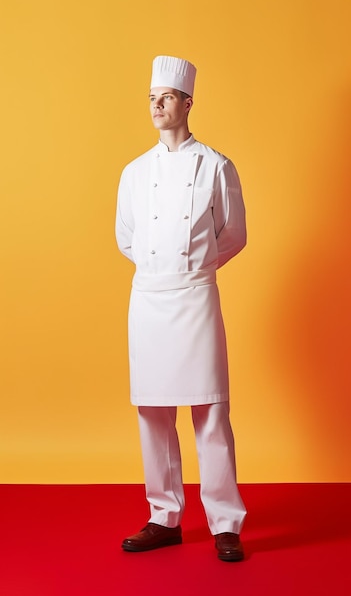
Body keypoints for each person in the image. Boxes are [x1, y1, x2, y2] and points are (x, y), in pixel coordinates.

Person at [115, 55, 247, 562]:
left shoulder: (216, 165)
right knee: (152, 412)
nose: (157, 105)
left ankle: (225, 523)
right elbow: (127, 236)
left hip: (195, 295)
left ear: (187, 103)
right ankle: (163, 516)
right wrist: (159, 273)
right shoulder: (133, 172)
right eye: (151, 97)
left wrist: (193, 268)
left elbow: (233, 234)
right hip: (148, 299)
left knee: (211, 411)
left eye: (166, 97)